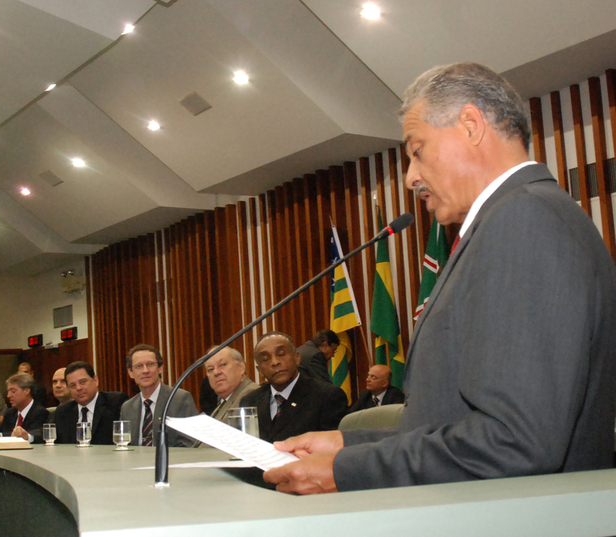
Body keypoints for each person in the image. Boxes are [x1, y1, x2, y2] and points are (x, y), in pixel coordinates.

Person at [264, 62, 616, 494]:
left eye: (417, 151)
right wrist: (347, 444)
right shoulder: (514, 217)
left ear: (470, 125)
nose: (410, 177)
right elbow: (454, 422)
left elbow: (516, 441)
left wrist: (345, 471)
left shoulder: (525, 219)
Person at [240, 332, 348, 443]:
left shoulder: (326, 396)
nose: (275, 362)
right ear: (260, 371)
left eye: (281, 354)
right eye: (266, 359)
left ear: (297, 358)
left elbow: (333, 447)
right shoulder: (249, 402)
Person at [120, 344, 197, 447]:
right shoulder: (127, 408)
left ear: (160, 368)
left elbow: (189, 443)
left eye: (150, 364)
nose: (145, 371)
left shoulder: (179, 399)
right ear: (131, 373)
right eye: (139, 366)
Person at [53, 361, 127, 445]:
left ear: (95, 380)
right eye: (72, 385)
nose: (78, 388)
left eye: (83, 382)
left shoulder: (116, 403)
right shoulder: (63, 411)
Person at [203, 346, 258, 422]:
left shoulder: (251, 394)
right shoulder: (224, 401)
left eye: (223, 365)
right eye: (211, 369)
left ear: (241, 367)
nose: (216, 372)